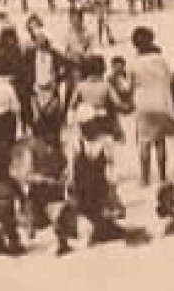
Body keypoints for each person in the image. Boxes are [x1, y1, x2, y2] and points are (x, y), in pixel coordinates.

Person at [56, 106, 132, 256]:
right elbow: (71, 169)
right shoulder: (79, 142)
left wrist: (112, 191)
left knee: (100, 223)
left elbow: (110, 168)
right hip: (85, 191)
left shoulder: (103, 141)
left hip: (96, 191)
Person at [129, 27, 174, 187]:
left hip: (142, 102)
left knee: (144, 143)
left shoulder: (134, 63)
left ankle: (144, 178)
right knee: (160, 142)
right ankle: (162, 176)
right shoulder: (160, 59)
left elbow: (129, 85)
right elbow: (169, 79)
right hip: (160, 101)